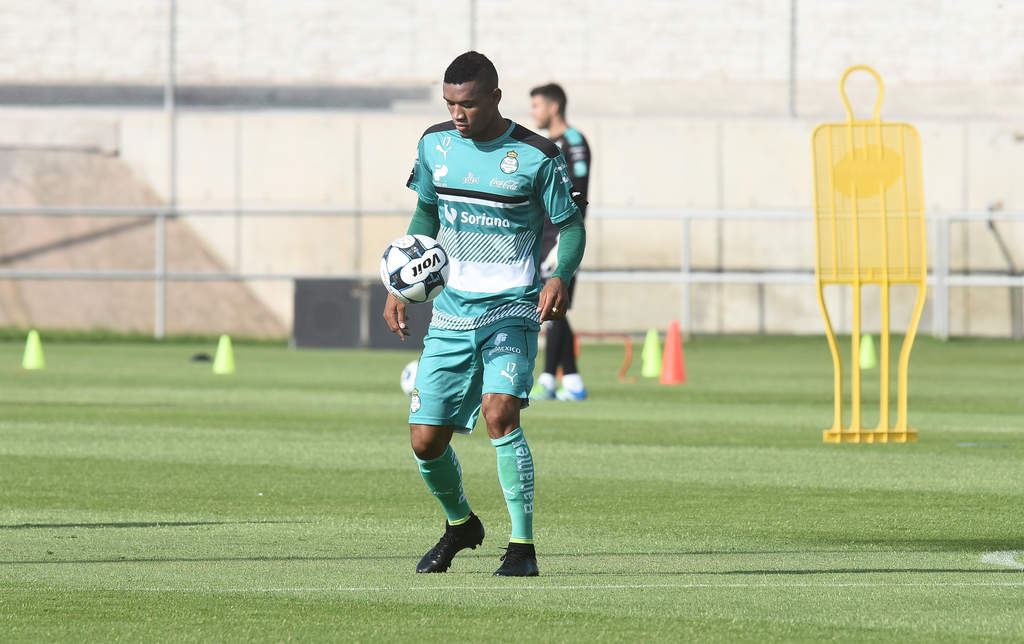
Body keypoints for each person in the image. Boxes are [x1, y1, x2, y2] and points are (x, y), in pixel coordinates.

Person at [382, 51, 586, 577]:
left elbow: (571, 225)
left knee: (501, 413)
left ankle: (522, 548)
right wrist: (402, 284)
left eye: (468, 104)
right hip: (450, 312)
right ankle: (461, 525)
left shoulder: (537, 155)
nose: (457, 114)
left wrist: (560, 275)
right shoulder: (434, 144)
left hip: (512, 308)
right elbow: (426, 211)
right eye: (449, 103)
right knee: (425, 440)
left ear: (495, 97)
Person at [528, 83, 591, 401]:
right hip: (543, 237)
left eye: (536, 106)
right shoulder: (544, 144)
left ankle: (550, 379)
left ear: (553, 107)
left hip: (561, 239)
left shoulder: (573, 141)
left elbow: (579, 192)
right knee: (554, 309)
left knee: (552, 306)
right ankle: (573, 381)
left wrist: (566, 237)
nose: (532, 112)